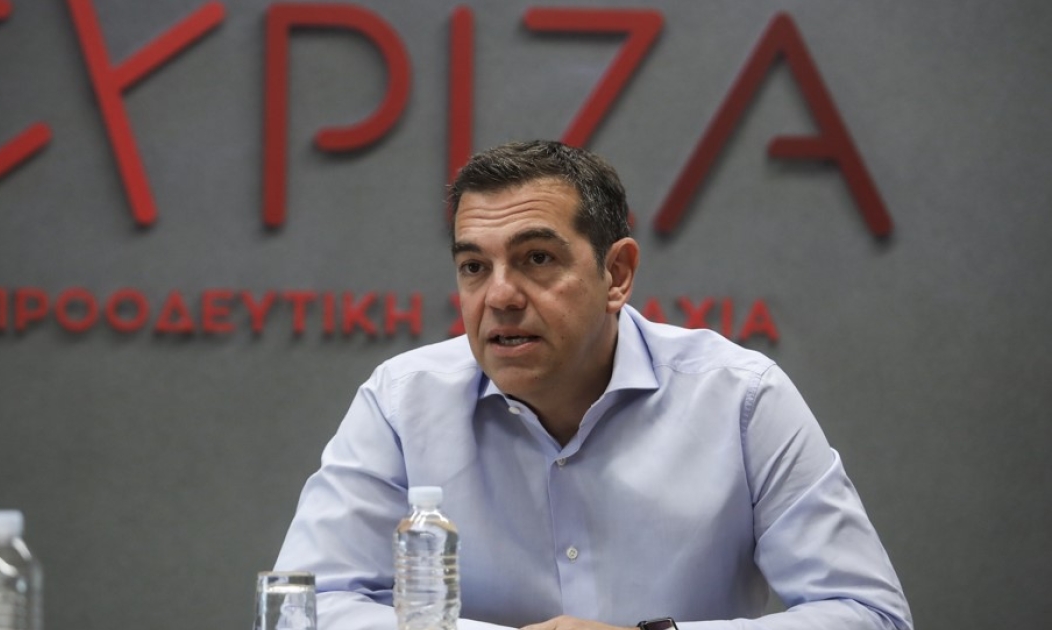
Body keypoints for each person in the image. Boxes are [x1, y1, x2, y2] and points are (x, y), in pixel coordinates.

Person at [274, 140, 912, 630]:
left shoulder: (740, 399)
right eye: (474, 266)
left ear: (618, 274)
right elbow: (308, 607)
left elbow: (868, 614)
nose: (499, 296)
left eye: (537, 259)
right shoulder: (401, 402)